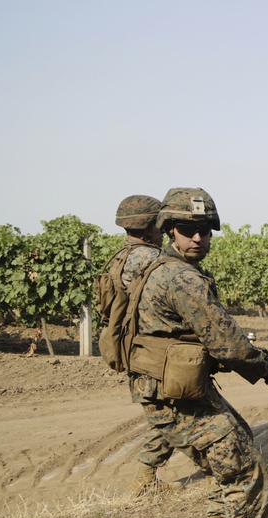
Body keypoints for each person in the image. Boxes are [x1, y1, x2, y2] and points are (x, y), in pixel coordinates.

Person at [127, 187, 268, 518]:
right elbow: (229, 345)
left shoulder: (157, 268)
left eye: (205, 230)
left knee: (229, 461)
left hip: (172, 388)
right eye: (187, 229)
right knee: (245, 469)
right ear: (169, 230)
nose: (197, 237)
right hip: (176, 394)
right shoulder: (181, 278)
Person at [100, 195, 179, 496]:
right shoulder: (150, 260)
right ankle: (144, 482)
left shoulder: (121, 257)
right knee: (176, 419)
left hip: (139, 352)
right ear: (148, 229)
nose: (164, 232)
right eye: (160, 226)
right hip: (155, 355)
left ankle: (146, 481)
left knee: (167, 417)